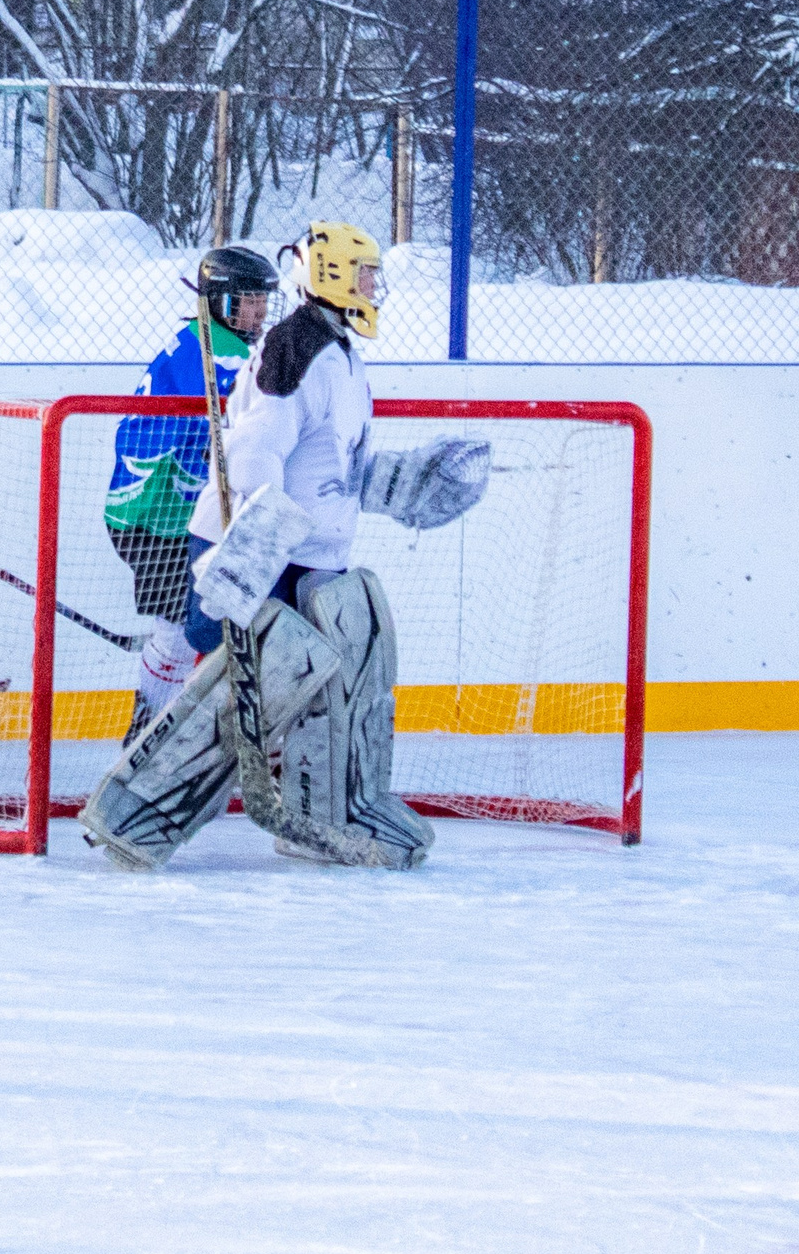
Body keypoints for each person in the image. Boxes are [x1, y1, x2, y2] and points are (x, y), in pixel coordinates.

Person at [79, 222, 491, 871]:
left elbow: (337, 466)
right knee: (251, 685)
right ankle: (136, 808)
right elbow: (253, 452)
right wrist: (251, 551)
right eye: (363, 274)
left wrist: (405, 486)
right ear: (329, 274)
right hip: (262, 552)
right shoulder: (295, 346)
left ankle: (326, 810)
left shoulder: (343, 354)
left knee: (352, 648)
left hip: (308, 558)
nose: (373, 286)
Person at [102, 246, 276, 737]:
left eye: (263, 300)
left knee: (199, 622)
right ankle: (149, 735)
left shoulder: (204, 339)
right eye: (248, 300)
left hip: (165, 516)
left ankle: (161, 728)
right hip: (154, 518)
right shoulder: (220, 353)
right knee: (180, 627)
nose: (260, 311)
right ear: (220, 302)